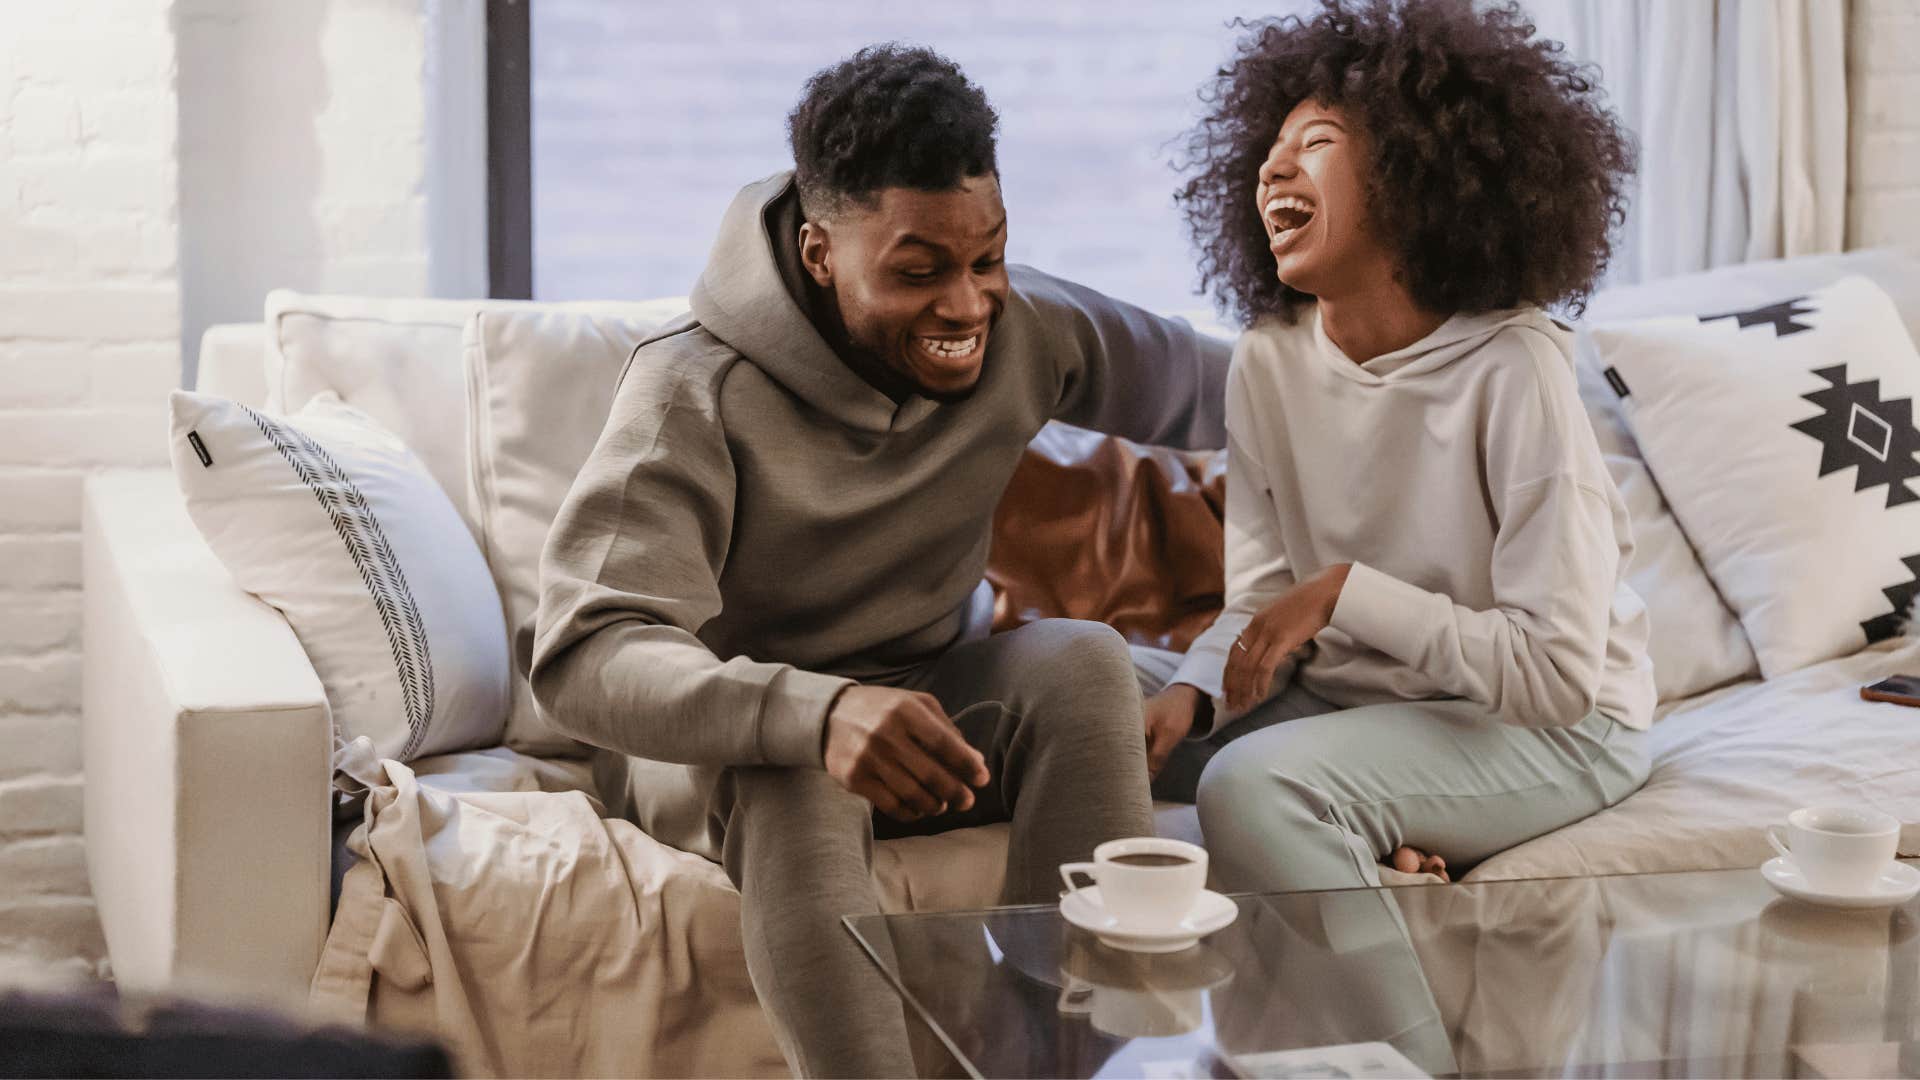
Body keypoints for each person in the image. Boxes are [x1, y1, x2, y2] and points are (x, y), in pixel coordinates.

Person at [529, 45, 1230, 1078]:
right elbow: (584, 655)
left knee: (1082, 662)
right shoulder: (693, 391)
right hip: (742, 744)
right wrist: (813, 713)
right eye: (919, 272)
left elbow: (1246, 391)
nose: (967, 306)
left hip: (930, 706)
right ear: (820, 253)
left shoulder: (1025, 327)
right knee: (799, 780)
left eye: (985, 259)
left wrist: (1452, 356)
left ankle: (1070, 1063)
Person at [1144, 0, 1654, 895]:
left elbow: (1558, 676)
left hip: (1553, 730)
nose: (1273, 167)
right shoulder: (1268, 359)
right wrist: (1195, 694)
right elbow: (1264, 606)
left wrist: (1344, 596)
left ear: (1417, 176)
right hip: (1357, 707)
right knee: (1093, 698)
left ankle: (1392, 1038)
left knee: (1254, 784)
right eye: (1271, 147)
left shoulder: (1514, 365)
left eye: (1318, 144)